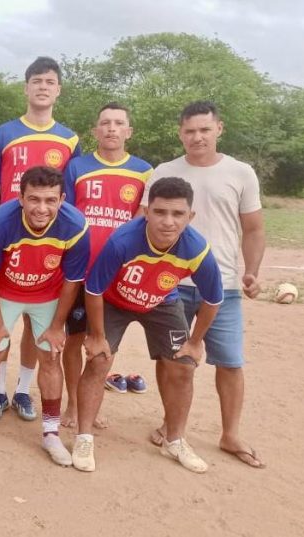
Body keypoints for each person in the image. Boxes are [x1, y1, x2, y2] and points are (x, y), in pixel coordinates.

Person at [74, 176, 223, 473]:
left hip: (161, 301)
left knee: (183, 366)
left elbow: (213, 299)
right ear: (146, 212)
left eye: (178, 214)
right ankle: (84, 437)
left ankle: (175, 440)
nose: (168, 221)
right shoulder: (122, 241)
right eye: (160, 212)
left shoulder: (197, 250)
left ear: (190, 216)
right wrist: (98, 336)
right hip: (114, 301)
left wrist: (195, 342)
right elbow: (93, 289)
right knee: (99, 360)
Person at [146, 101, 266, 469]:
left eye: (204, 129)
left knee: (229, 362)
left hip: (224, 285)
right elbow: (145, 224)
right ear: (180, 133)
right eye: (190, 131)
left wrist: (252, 270)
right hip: (172, 283)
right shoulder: (164, 172)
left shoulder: (240, 173)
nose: (197, 137)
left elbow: (253, 229)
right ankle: (171, 425)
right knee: (171, 359)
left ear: (219, 129)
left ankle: (230, 434)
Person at [0, 166, 89, 466]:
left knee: (50, 358)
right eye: (34, 199)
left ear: (62, 199)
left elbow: (72, 281)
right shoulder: (0, 222)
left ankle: (51, 433)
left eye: (50, 200)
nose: (42, 208)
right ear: (20, 198)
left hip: (48, 295)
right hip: (5, 292)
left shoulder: (76, 225)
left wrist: (57, 326)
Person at [0, 56, 82, 422]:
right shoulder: (3, 133)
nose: (42, 86)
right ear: (26, 87)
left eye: (49, 81)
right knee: (2, 318)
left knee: (34, 322)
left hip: (48, 243)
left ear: (58, 90)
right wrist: (7, 223)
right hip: (10, 241)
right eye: (36, 80)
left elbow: (68, 195)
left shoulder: (69, 138)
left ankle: (23, 390)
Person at [61, 102, 152, 428]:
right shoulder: (76, 167)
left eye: (118, 123)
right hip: (80, 268)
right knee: (74, 339)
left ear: (129, 131)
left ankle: (91, 403)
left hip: (117, 273)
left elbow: (142, 221)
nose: (111, 128)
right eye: (105, 123)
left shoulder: (145, 171)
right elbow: (67, 216)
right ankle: (74, 404)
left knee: (104, 342)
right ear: (95, 130)